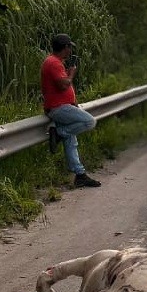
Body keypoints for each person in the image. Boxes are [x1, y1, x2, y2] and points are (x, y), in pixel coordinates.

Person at [41, 33, 101, 187]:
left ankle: (80, 175)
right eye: (69, 47)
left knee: (71, 140)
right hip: (58, 108)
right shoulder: (53, 63)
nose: (71, 50)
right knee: (90, 121)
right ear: (65, 47)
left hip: (62, 106)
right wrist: (72, 74)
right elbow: (63, 85)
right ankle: (59, 133)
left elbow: (61, 85)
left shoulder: (56, 62)